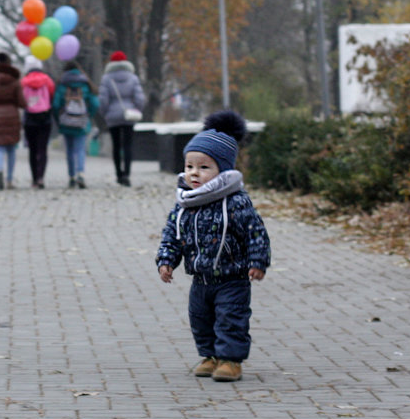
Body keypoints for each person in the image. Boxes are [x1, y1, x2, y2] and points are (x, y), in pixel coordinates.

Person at [154, 111, 270, 383]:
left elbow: (255, 232)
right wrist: (166, 260)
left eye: (204, 167)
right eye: (190, 166)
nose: (195, 173)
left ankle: (231, 360)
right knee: (200, 319)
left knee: (231, 318)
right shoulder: (186, 203)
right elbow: (173, 233)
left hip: (232, 277)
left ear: (223, 170)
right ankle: (210, 355)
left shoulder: (235, 201)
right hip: (201, 278)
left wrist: (257, 261)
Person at [99, 50, 146, 187]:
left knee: (116, 146)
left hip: (112, 116)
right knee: (128, 145)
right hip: (129, 115)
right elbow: (139, 98)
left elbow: (103, 100)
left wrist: (105, 113)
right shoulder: (133, 77)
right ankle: (127, 174)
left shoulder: (106, 78)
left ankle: (118, 174)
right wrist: (137, 109)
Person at [51, 60, 99, 189]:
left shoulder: (62, 84)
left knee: (70, 151)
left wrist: (58, 118)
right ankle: (81, 174)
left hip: (66, 121)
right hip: (81, 122)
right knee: (80, 149)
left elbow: (55, 105)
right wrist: (88, 115)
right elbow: (95, 103)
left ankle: (71, 177)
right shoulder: (85, 83)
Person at [0, 52, 26, 190]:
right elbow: (22, 102)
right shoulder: (15, 81)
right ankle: (9, 179)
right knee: (11, 149)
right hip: (12, 115)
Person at [20, 55, 56, 188]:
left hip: (29, 118)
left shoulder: (23, 82)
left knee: (32, 149)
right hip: (44, 117)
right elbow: (52, 94)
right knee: (42, 149)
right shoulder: (47, 80)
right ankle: (41, 177)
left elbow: (21, 98)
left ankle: (34, 178)